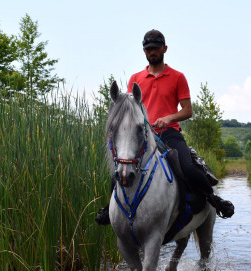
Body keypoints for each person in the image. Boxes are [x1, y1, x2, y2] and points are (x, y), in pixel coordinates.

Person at [95, 29, 234, 225]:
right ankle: (110, 210)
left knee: (188, 168)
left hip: (169, 133)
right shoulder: (135, 78)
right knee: (119, 169)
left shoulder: (177, 77)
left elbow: (187, 111)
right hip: (143, 134)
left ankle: (213, 200)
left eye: (156, 48)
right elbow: (129, 109)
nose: (152, 52)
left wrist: (168, 118)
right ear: (144, 51)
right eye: (148, 49)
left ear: (164, 49)